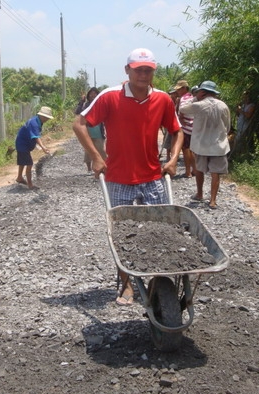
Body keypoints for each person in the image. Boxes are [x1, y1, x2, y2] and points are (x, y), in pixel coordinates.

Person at [73, 47, 183, 306]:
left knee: (161, 231)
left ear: (153, 71)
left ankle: (158, 278)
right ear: (128, 70)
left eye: (148, 70)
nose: (143, 74)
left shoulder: (163, 100)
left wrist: (174, 158)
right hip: (118, 178)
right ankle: (126, 284)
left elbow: (176, 130)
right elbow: (79, 124)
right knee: (121, 233)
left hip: (153, 177)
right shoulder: (110, 97)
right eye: (138, 69)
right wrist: (97, 158)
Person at [179, 81, 231, 210]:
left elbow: (182, 109)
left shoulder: (198, 105)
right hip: (218, 145)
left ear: (203, 92)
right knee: (215, 173)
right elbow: (227, 126)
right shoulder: (223, 105)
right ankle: (213, 200)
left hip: (201, 145)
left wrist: (195, 98)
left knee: (199, 170)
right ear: (214, 93)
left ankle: (200, 194)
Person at [15, 106, 53, 189]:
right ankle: (30, 184)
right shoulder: (34, 123)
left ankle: (19, 177)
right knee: (29, 164)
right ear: (42, 116)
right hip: (22, 144)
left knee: (22, 161)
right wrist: (43, 147)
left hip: (23, 143)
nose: (47, 119)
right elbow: (36, 137)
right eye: (47, 118)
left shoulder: (37, 120)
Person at [75, 87, 107, 173]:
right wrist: (81, 101)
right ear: (88, 95)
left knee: (101, 150)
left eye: (95, 94)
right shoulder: (86, 105)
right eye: (91, 94)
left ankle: (104, 166)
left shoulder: (101, 104)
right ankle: (89, 169)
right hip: (88, 132)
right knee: (88, 150)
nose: (93, 95)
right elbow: (78, 112)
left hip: (98, 132)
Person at [173, 80, 196, 178]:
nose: (177, 91)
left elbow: (181, 110)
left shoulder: (183, 98)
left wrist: (181, 119)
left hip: (186, 128)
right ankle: (194, 170)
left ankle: (188, 172)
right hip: (193, 127)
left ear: (184, 89)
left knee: (186, 150)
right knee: (192, 150)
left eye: (179, 89)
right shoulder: (192, 98)